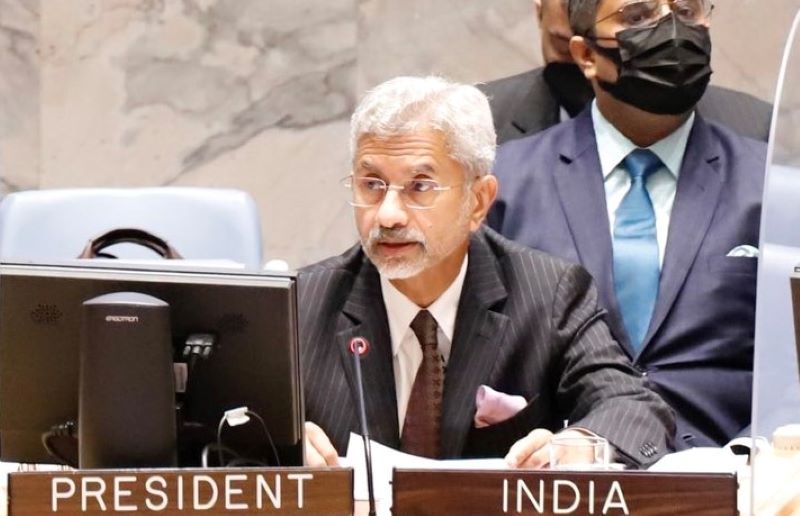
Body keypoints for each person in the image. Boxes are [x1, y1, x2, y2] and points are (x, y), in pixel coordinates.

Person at [300, 75, 674, 469]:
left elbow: (633, 407)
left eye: (420, 187)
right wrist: (274, 446)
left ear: (478, 201)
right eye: (372, 184)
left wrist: (580, 445)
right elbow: (251, 432)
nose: (388, 215)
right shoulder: (301, 306)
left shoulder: (548, 295)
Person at [488, 0, 765, 449]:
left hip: (730, 470)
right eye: (638, 17)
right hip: (560, 467)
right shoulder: (506, 184)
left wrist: (748, 458)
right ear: (585, 55)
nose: (671, 30)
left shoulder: (770, 186)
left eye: (687, 11)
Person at [479, 0, 772, 144]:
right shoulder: (484, 126)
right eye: (564, 49)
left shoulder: (753, 131)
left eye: (684, 11)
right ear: (584, 53)